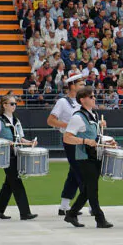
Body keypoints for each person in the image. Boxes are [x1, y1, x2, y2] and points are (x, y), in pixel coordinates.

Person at [62, 87, 113, 228]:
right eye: (91, 96)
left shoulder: (94, 115)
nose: (94, 98)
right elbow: (67, 138)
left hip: (95, 156)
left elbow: (95, 137)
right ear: (82, 99)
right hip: (84, 157)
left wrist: (107, 141)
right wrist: (84, 141)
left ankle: (71, 214)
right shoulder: (78, 117)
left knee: (87, 189)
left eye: (94, 96)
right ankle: (99, 219)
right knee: (93, 188)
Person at [0, 93, 37, 221]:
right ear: (4, 105)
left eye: (15, 104)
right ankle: (25, 212)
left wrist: (29, 142)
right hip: (5, 154)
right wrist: (5, 141)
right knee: (16, 181)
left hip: (16, 153)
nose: (14, 106)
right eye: (11, 104)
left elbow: (20, 138)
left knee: (9, 184)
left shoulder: (16, 120)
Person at [47, 71, 84, 217]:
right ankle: (91, 204)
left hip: (81, 140)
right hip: (70, 140)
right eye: (80, 84)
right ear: (72, 85)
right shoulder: (63, 102)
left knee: (74, 173)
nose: (83, 86)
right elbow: (50, 121)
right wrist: (68, 125)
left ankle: (64, 206)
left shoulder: (81, 101)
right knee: (81, 172)